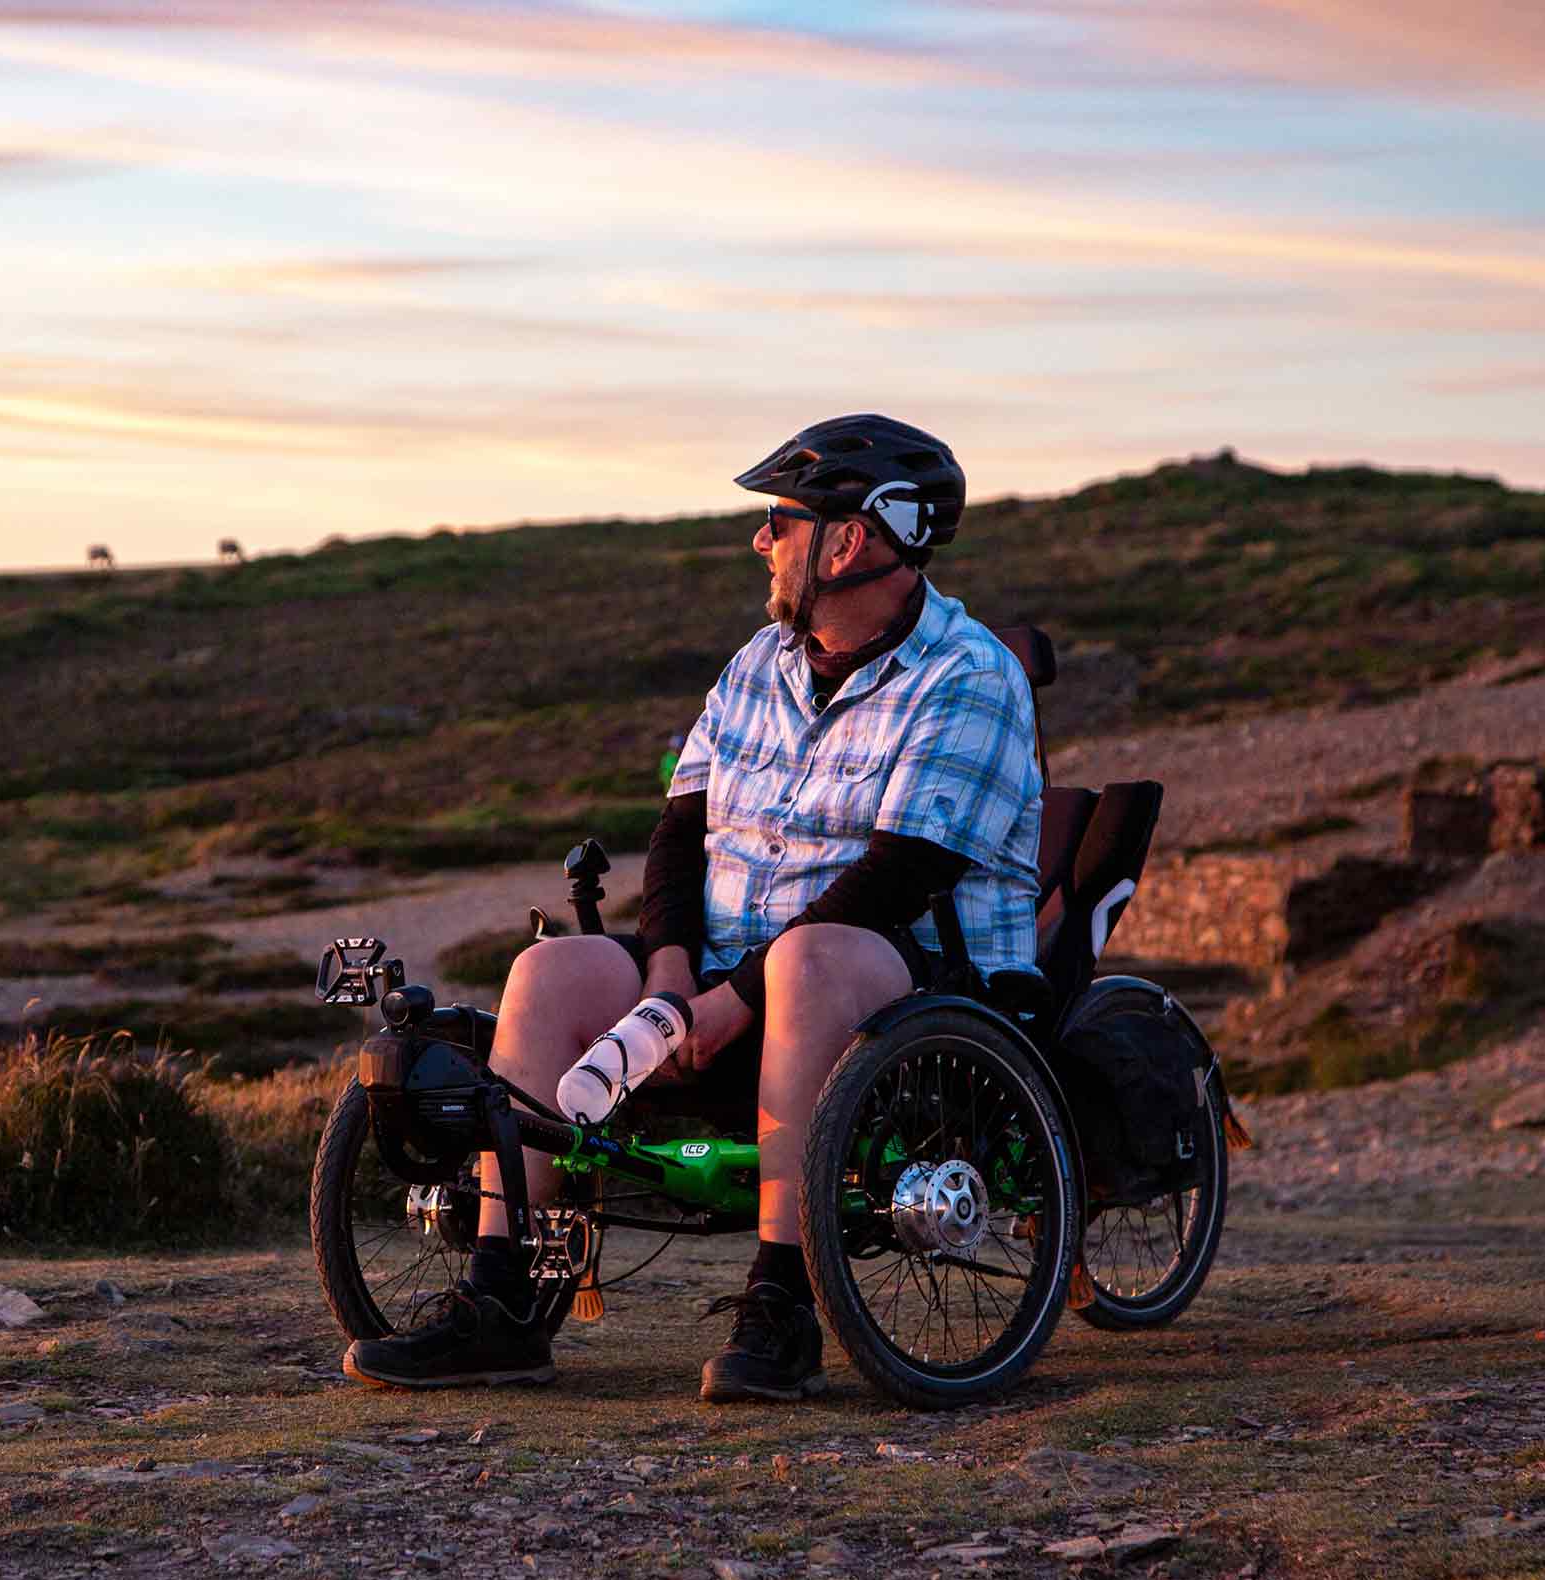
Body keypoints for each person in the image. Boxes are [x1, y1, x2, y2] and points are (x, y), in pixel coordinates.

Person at [344, 415, 1044, 1402]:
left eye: (781, 519)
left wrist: (728, 1004)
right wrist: (671, 977)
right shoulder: (757, 663)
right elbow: (680, 831)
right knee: (547, 970)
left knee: (809, 960)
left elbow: (900, 876)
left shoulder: (970, 675)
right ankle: (502, 1297)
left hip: (908, 973)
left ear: (852, 538)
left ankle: (781, 1299)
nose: (761, 540)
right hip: (722, 966)